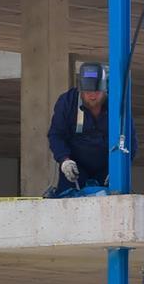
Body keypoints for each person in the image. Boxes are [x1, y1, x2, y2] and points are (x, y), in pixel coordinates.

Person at [46, 61, 137, 196]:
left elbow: (130, 141)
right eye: (88, 92)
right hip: (75, 166)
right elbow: (56, 135)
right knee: (68, 199)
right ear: (81, 89)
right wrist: (64, 160)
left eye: (97, 92)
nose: (92, 96)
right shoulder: (67, 102)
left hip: (107, 167)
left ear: (104, 89)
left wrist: (120, 167)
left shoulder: (117, 104)